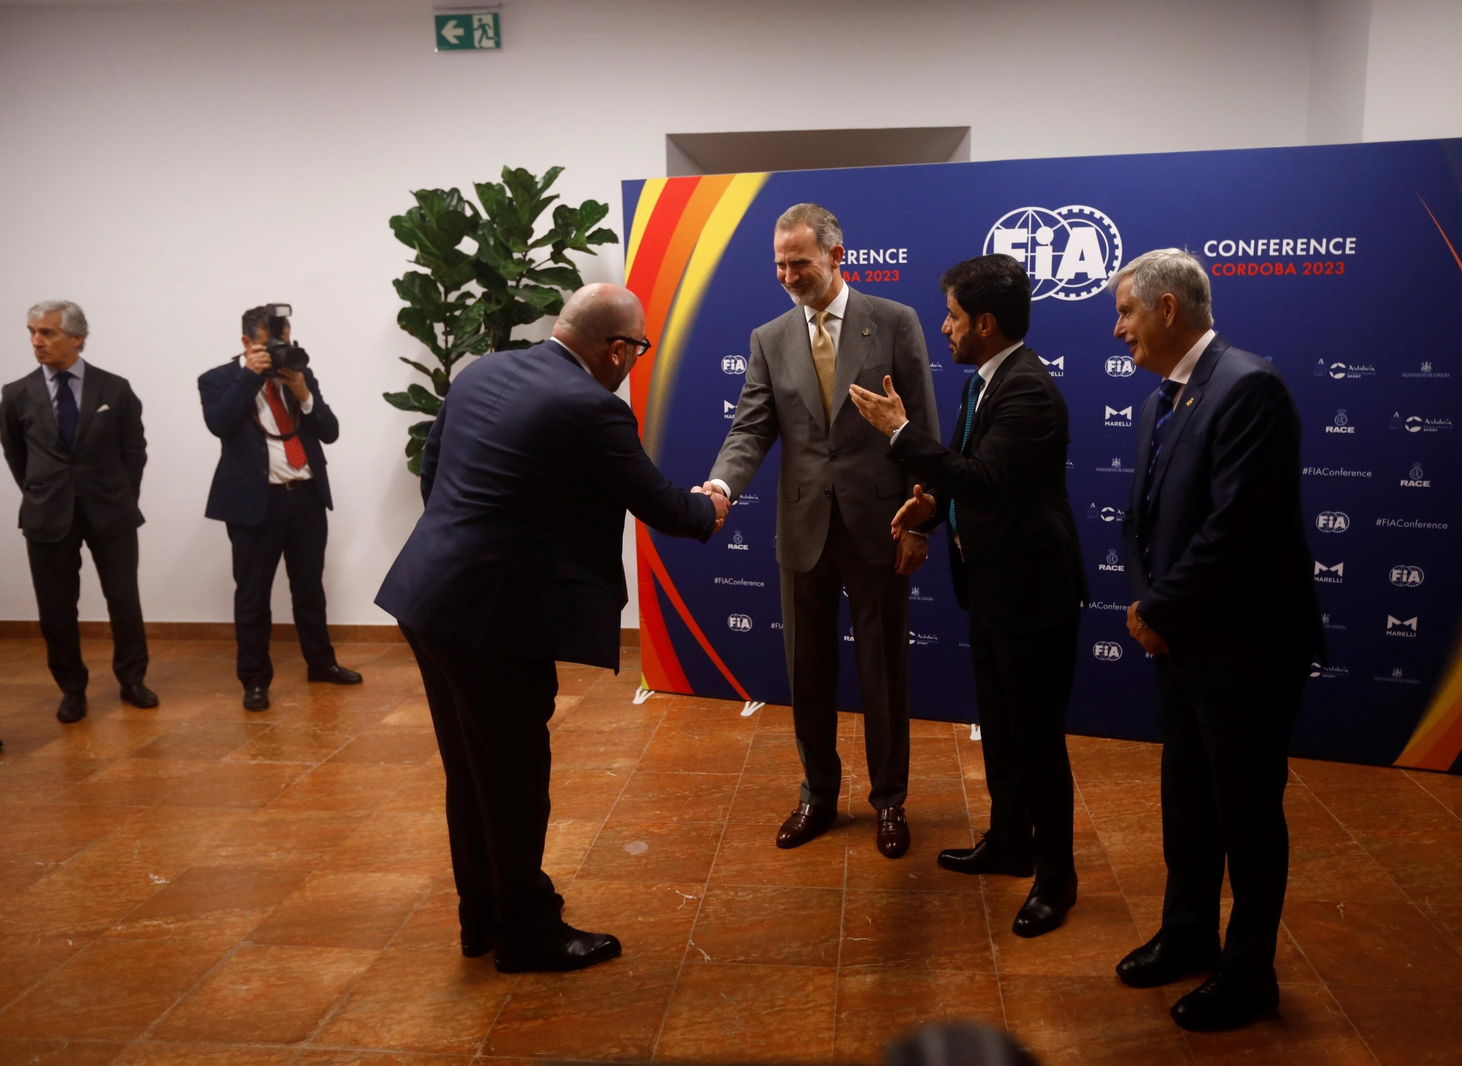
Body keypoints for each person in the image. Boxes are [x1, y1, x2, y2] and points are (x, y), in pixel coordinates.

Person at [376, 284, 726, 973]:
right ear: (617, 349)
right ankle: (526, 935)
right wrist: (711, 504)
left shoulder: (483, 369)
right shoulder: (593, 407)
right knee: (513, 778)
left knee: (472, 773)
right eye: (638, 351)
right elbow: (664, 507)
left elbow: (433, 471)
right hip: (494, 621)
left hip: (429, 596)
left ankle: (482, 919)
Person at [1110, 249, 1319, 1031]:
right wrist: (1150, 603)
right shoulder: (1162, 398)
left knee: (1247, 816)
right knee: (1188, 804)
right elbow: (1143, 517)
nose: (1117, 327)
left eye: (1127, 311)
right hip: (1182, 642)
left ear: (1168, 309)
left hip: (1246, 649)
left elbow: (1238, 527)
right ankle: (1187, 935)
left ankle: (1247, 973)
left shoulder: (1249, 386)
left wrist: (1160, 607)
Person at [849, 254, 1087, 937]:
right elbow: (970, 481)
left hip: (1033, 592)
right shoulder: (987, 381)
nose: (944, 327)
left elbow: (986, 480)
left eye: (953, 316)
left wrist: (898, 432)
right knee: (1003, 730)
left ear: (985, 323)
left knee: (1038, 740)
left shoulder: (1029, 391)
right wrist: (929, 508)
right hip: (990, 585)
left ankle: (1056, 879)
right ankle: (1010, 840)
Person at [703, 203, 938, 859]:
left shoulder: (895, 323)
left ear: (838, 256)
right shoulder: (770, 337)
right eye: (779, 264)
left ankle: (890, 801)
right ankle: (817, 795)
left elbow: (922, 430)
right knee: (807, 672)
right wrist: (721, 485)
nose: (788, 275)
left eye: (799, 262)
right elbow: (751, 428)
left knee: (883, 670)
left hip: (881, 525)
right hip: (803, 529)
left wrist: (925, 518)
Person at [198, 305, 360, 711]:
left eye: (282, 341)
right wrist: (249, 376)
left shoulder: (298, 374)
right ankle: (254, 680)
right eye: (268, 344)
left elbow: (330, 431)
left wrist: (304, 394)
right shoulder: (217, 379)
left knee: (309, 590)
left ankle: (321, 664)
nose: (277, 349)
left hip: (305, 497)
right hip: (255, 504)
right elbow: (220, 423)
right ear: (246, 343)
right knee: (252, 596)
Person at [1, 301, 157, 723]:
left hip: (111, 512)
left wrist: (122, 496)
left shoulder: (115, 389)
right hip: (47, 516)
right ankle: (72, 687)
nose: (36, 341)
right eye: (32, 331)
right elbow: (16, 454)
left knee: (124, 600)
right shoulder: (15, 394)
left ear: (77, 338)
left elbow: (134, 450)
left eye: (47, 333)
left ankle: (132, 679)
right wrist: (41, 493)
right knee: (56, 608)